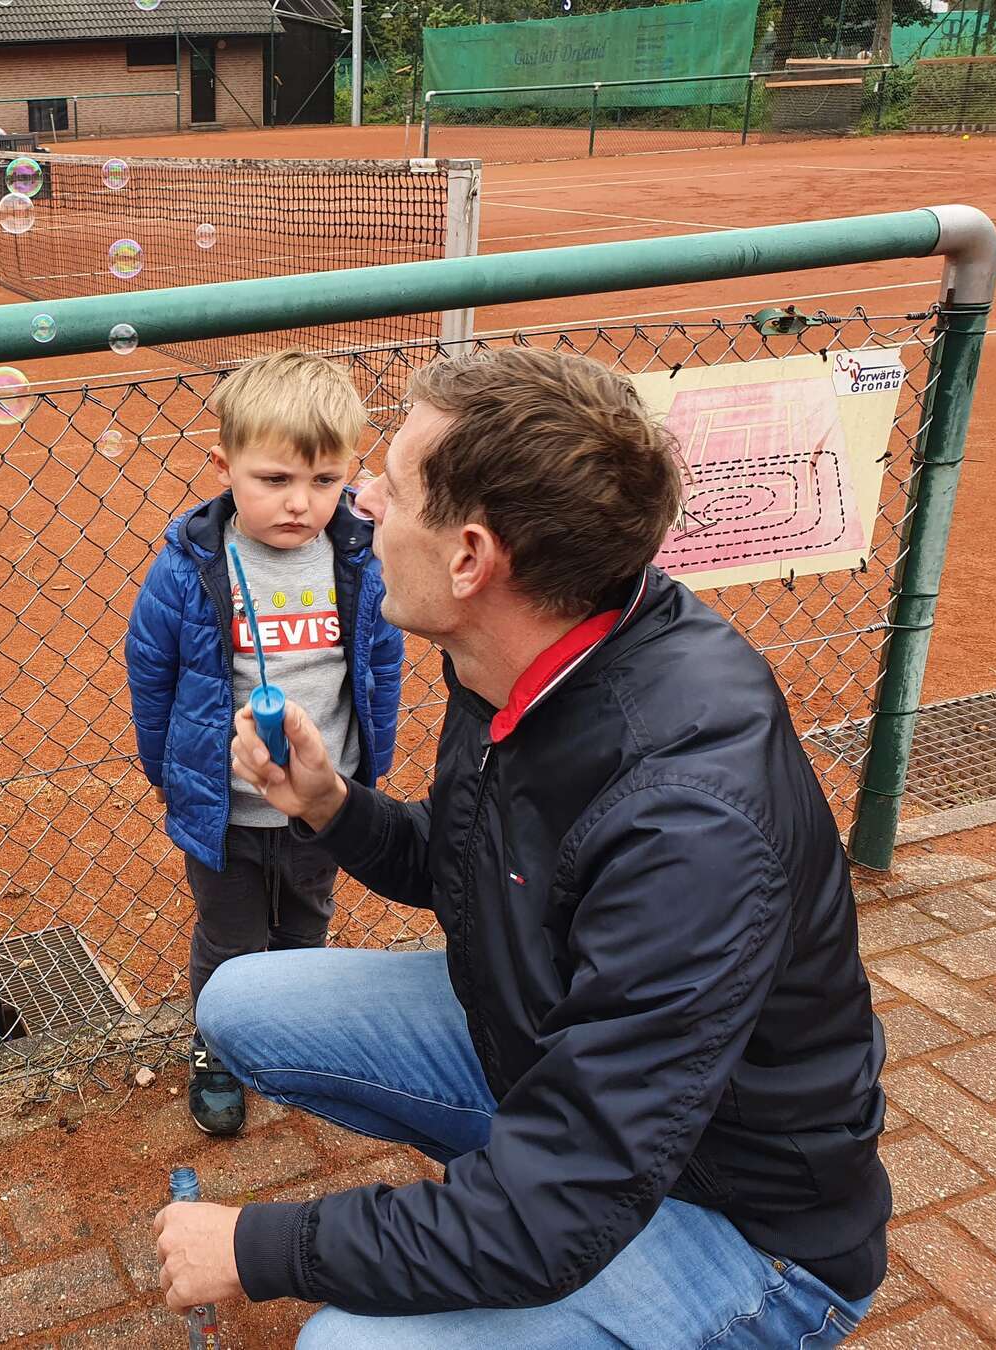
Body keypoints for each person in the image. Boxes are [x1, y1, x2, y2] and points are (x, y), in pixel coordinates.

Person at [156, 347, 891, 1346]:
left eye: (393, 486)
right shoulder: (522, 654)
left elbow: (559, 1207)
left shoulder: (686, 824)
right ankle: (502, 1197)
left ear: (469, 559)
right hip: (579, 1079)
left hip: (741, 1219)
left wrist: (261, 1247)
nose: (363, 501)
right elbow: (474, 867)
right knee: (242, 1000)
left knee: (342, 1344)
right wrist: (334, 807)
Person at [126, 350, 403, 1138]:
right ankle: (219, 1046)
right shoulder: (190, 568)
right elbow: (151, 675)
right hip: (229, 812)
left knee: (306, 927)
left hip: (323, 804)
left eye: (324, 479)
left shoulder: (360, 558)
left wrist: (365, 772)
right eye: (274, 479)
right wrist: (170, 773)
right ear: (224, 467)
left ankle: (292, 1037)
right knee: (232, 938)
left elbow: (381, 667)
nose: (300, 502)